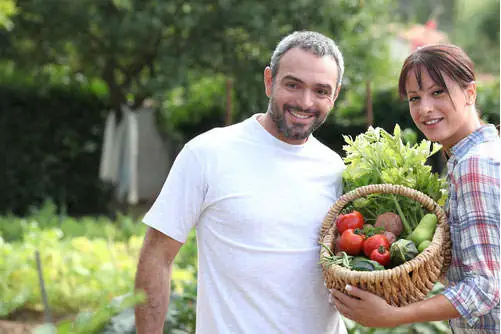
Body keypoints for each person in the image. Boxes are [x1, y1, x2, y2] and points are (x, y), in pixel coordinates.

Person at [134, 30, 348, 333]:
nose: (305, 101)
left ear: (335, 95)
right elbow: (157, 256)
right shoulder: (208, 153)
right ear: (269, 81)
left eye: (321, 91)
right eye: (293, 85)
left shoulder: (335, 168)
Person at [331, 44, 500, 333]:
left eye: (438, 92)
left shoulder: (475, 166)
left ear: (470, 92)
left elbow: (485, 287)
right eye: (414, 97)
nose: (425, 109)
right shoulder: (478, 156)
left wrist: (393, 315)